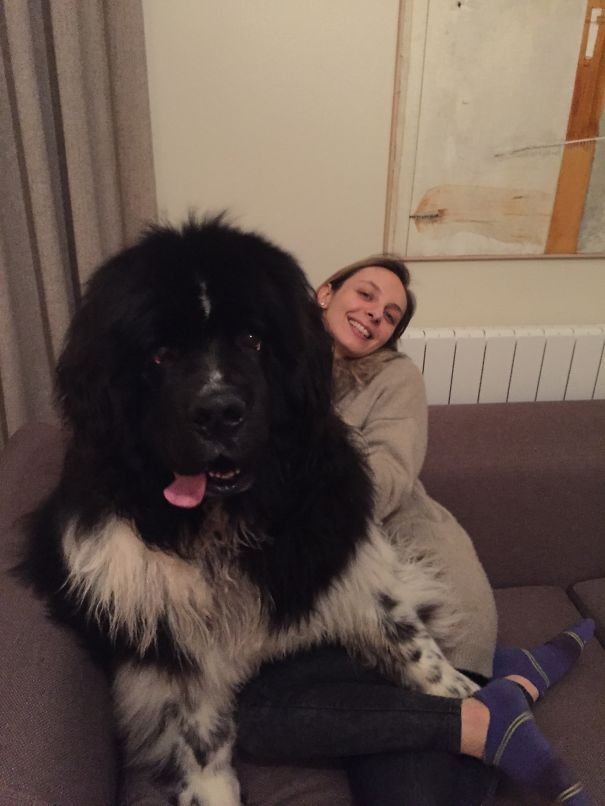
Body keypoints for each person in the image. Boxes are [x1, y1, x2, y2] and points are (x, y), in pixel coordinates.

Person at [236, 256, 594, 806]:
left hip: (422, 598)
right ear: (325, 292)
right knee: (254, 714)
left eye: (390, 314)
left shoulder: (393, 377)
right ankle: (507, 690)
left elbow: (386, 479)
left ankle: (486, 702)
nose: (375, 314)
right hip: (336, 614)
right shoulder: (257, 362)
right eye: (366, 294)